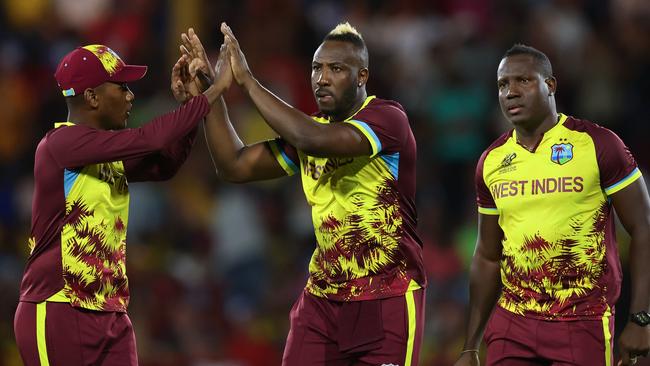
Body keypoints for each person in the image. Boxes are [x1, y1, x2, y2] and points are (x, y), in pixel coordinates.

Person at [181, 22, 427, 366]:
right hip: (322, 304)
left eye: (336, 69)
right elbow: (234, 166)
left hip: (386, 300)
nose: (321, 78)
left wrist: (248, 82)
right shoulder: (310, 131)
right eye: (316, 68)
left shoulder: (387, 119)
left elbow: (315, 140)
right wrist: (210, 93)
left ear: (361, 76)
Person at [13, 44, 229, 365]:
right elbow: (151, 139)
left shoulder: (104, 154)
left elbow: (164, 165)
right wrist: (213, 93)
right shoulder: (59, 144)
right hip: (58, 306)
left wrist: (188, 105)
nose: (130, 96)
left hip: (110, 312)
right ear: (92, 98)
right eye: (122, 87)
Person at [455, 44, 650, 366]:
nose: (511, 92)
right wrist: (470, 345)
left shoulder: (598, 144)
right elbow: (488, 256)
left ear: (550, 85)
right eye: (503, 85)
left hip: (582, 320)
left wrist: (641, 318)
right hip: (512, 323)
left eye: (523, 81)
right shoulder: (491, 161)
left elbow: (643, 228)